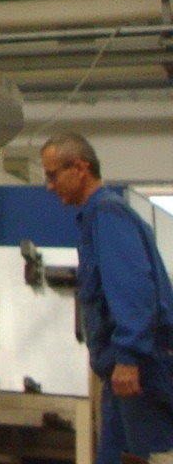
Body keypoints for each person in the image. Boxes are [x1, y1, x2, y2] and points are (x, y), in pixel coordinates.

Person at [43, 131, 173, 464]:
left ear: (80, 168)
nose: (49, 186)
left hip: (140, 372)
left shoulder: (108, 214)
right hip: (124, 371)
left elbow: (133, 289)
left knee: (139, 457)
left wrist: (129, 357)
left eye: (53, 175)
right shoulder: (100, 216)